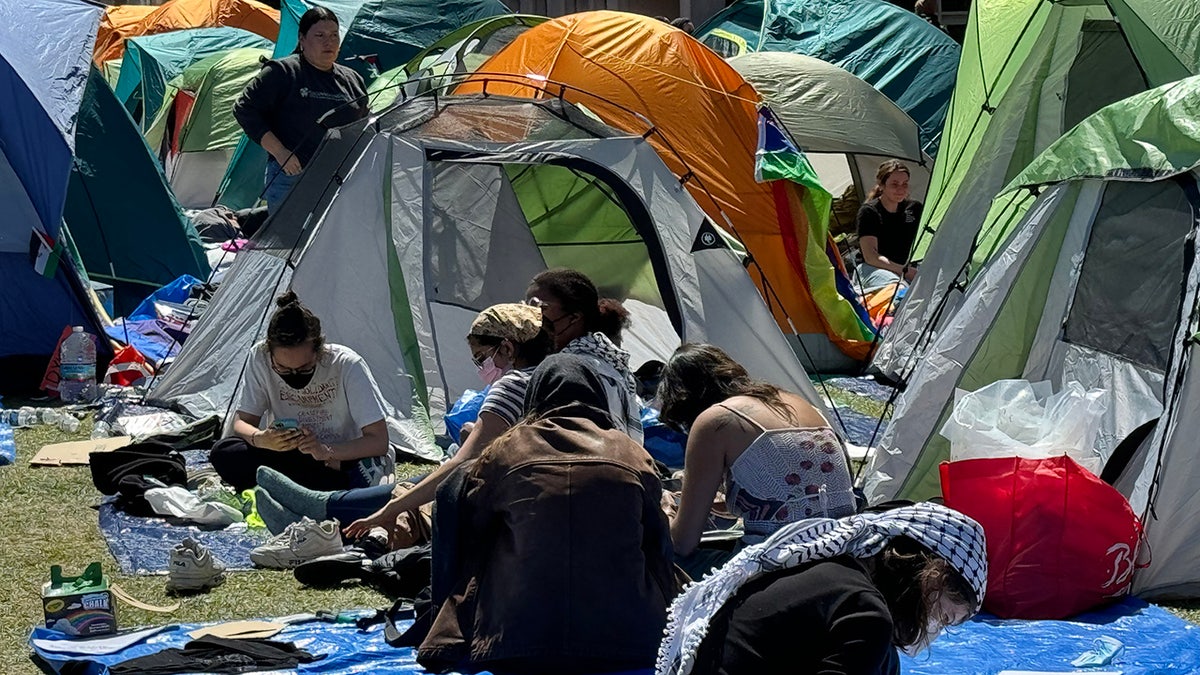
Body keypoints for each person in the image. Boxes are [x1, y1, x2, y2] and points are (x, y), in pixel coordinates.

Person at [418, 354, 679, 675]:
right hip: (629, 641)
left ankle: (442, 628)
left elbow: (471, 528)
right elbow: (659, 545)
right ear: (595, 397)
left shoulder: (506, 449)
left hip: (515, 644)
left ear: (536, 397)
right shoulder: (631, 452)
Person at [256, 303, 554, 537]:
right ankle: (325, 510)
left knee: (448, 477)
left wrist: (392, 508)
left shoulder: (512, 383)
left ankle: (325, 508)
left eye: (480, 358)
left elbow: (461, 462)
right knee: (442, 471)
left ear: (507, 348)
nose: (480, 368)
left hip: (524, 493)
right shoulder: (556, 373)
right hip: (548, 484)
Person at [657, 502, 987, 675]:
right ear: (928, 576)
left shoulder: (831, 574)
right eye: (941, 616)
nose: (932, 629)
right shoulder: (866, 612)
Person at [656, 344, 855, 576]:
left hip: (782, 558)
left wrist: (667, 514)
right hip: (840, 543)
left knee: (662, 561)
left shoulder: (716, 420)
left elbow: (683, 542)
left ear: (684, 401)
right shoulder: (796, 402)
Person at [208, 292, 393, 492]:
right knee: (224, 452)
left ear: (319, 351)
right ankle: (306, 488)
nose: (294, 375)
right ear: (270, 353)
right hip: (293, 456)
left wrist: (325, 451)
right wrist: (261, 438)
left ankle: (297, 487)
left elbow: (379, 441)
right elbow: (241, 422)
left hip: (337, 456)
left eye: (305, 368)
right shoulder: (259, 357)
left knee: (341, 472)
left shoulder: (346, 365)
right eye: (283, 370)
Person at [233, 7, 368, 213]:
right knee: (287, 242)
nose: (328, 42)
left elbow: (364, 123)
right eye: (320, 35)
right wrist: (279, 152)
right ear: (302, 39)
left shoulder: (353, 80)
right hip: (292, 176)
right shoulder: (283, 72)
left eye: (334, 35)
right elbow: (245, 109)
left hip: (340, 178)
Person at [524, 268, 643, 442]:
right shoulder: (604, 361)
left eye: (538, 307)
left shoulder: (568, 368)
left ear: (574, 318)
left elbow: (569, 443)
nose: (528, 316)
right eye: (524, 307)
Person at [855, 160, 922, 290]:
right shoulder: (869, 212)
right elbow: (871, 256)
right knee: (899, 289)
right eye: (894, 184)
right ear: (881, 185)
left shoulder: (914, 208)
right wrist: (904, 271)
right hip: (874, 267)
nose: (901, 189)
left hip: (907, 265)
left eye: (905, 184)